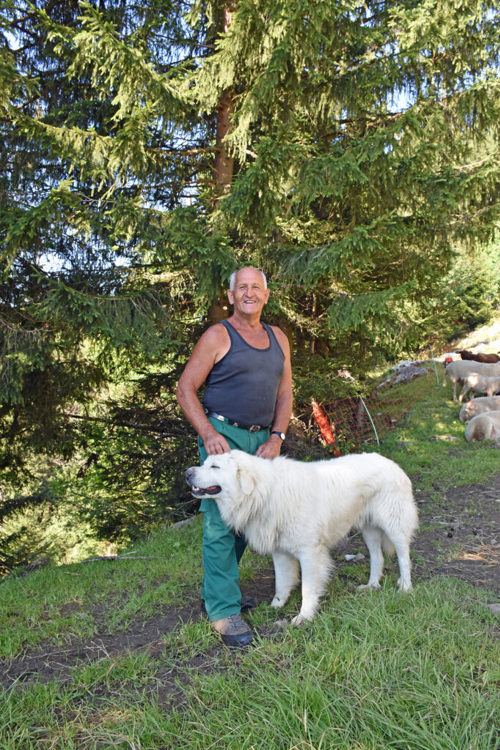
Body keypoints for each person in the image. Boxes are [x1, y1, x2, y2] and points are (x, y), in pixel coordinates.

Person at [176, 266, 293, 647]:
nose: (249, 293)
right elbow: (185, 389)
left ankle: (218, 590)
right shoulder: (217, 335)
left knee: (248, 520)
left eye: (255, 287)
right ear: (230, 296)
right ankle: (224, 611)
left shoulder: (278, 338)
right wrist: (208, 433)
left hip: (261, 446)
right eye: (241, 287)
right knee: (219, 524)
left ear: (266, 295)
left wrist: (277, 437)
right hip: (222, 440)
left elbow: (285, 394)